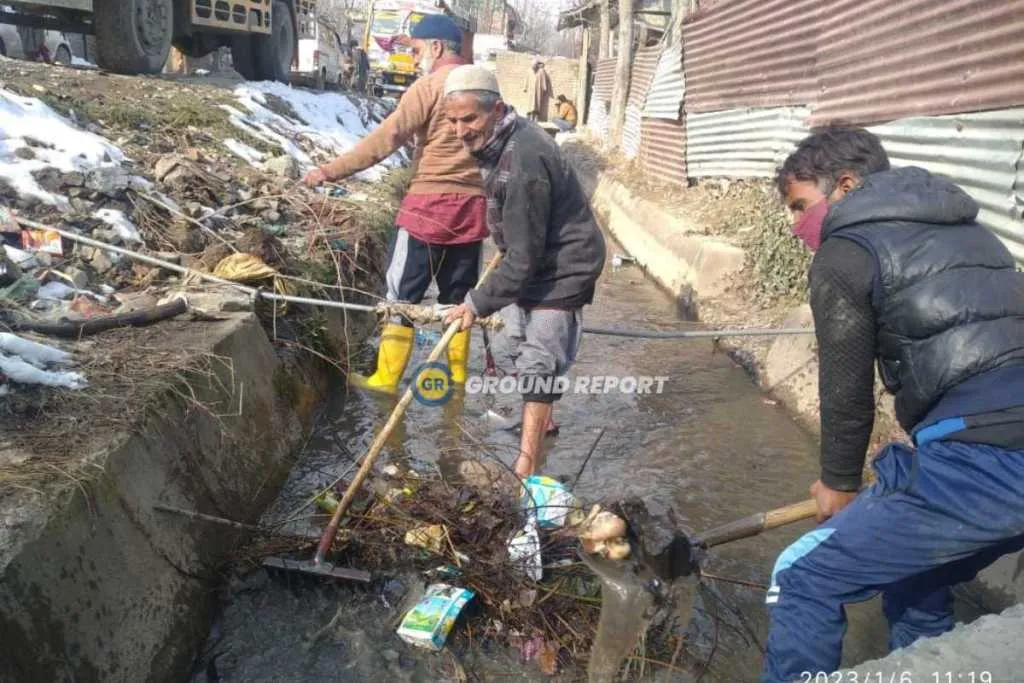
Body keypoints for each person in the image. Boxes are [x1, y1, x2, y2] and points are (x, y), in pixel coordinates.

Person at [762, 124, 1024, 682]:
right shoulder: (973, 231)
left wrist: (838, 482)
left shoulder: (845, 249)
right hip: (994, 444)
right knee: (917, 578)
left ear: (846, 186)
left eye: (800, 206)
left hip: (986, 462)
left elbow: (846, 387)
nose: (794, 225)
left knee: (802, 575)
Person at [303, 15, 487, 395]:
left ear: (436, 48)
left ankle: (386, 381)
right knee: (459, 303)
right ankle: (455, 383)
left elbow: (387, 139)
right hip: (473, 210)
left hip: (426, 210)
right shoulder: (484, 89)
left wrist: (329, 171)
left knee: (400, 298)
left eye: (418, 50)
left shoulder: (428, 87)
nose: (416, 58)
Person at [442, 65, 606, 479]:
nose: (461, 130)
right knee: (516, 340)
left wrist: (475, 303)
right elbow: (520, 246)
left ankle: (526, 465)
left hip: (564, 267)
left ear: (496, 109)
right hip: (532, 258)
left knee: (537, 363)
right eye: (453, 121)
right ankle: (544, 424)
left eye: (470, 119)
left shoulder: (524, 161)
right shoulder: (504, 139)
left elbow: (523, 258)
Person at [523, 57, 551, 122]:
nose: (533, 67)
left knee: (537, 103)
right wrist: (525, 87)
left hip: (538, 90)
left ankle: (536, 117)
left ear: (537, 65)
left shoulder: (541, 71)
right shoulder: (529, 70)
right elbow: (526, 79)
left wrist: (544, 87)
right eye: (532, 65)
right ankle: (529, 116)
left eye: (534, 65)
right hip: (531, 90)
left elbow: (544, 79)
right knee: (530, 103)